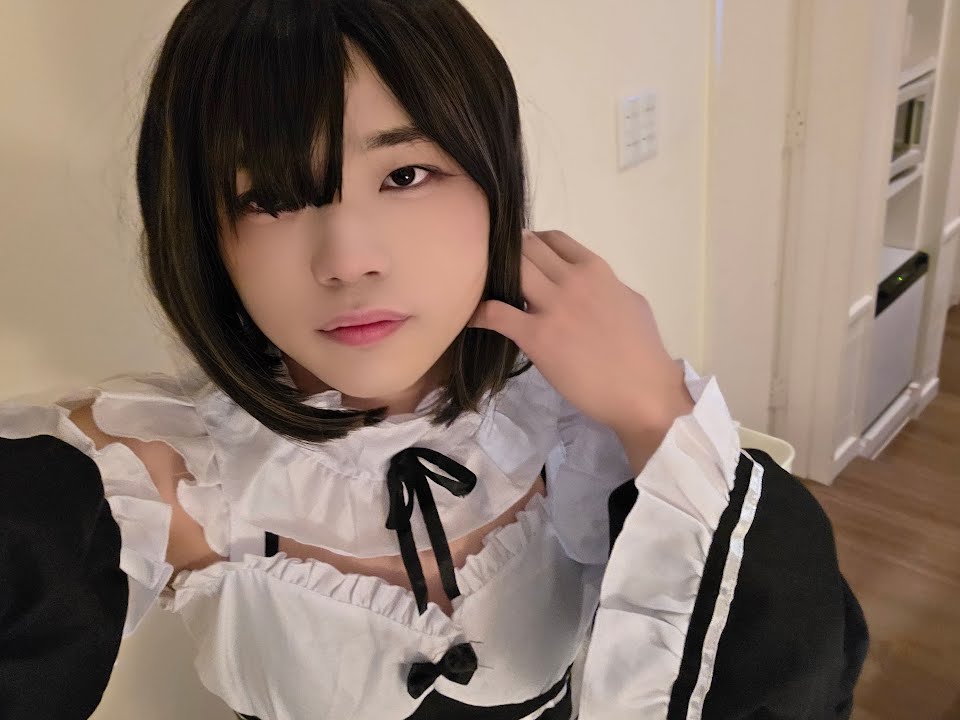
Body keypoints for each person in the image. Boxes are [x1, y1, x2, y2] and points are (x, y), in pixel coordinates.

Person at [0, 1, 868, 718]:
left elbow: (789, 668)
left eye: (405, 175)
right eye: (268, 197)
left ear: (494, 183)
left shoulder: (578, 430)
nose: (348, 259)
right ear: (205, 234)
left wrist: (655, 413)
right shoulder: (169, 478)